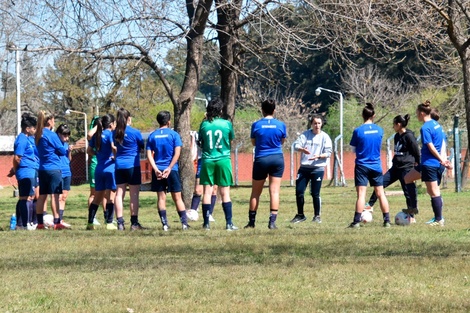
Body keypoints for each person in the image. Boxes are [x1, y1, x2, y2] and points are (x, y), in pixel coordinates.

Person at [402, 101, 452, 226]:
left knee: (433, 192)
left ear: (422, 113)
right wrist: (444, 159)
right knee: (407, 178)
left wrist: (441, 160)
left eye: (417, 113)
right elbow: (441, 143)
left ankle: (438, 219)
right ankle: (413, 208)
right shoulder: (437, 125)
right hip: (428, 163)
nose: (416, 115)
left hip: (430, 164)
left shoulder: (425, 127)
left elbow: (431, 146)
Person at [364, 114, 420, 223]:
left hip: (406, 168)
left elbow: (416, 151)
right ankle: (369, 205)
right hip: (395, 168)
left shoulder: (409, 136)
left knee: (408, 191)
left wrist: (418, 163)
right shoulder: (397, 136)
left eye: (393, 124)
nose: (392, 127)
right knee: (380, 183)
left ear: (398, 125)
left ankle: (411, 214)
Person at [244, 99, 286, 229]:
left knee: (256, 192)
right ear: (274, 110)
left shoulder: (256, 125)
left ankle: (252, 222)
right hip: (277, 158)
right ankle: (272, 222)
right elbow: (282, 141)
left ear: (262, 110)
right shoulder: (280, 125)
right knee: (274, 191)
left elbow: (253, 142)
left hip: (261, 158)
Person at [348, 103, 391, 228]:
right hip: (376, 165)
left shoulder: (358, 131)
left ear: (362, 115)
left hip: (362, 165)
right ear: (374, 115)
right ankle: (387, 221)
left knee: (361, 194)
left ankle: (356, 222)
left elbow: (352, 150)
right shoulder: (380, 130)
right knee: (380, 193)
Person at [198, 98, 238, 230]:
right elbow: (230, 139)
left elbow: (201, 142)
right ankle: (229, 223)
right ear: (220, 110)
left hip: (208, 159)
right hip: (223, 159)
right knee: (225, 192)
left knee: (207, 192)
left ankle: (206, 224)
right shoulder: (226, 124)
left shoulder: (204, 124)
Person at [146, 110, 189, 231]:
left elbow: (149, 155)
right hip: (172, 170)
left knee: (161, 198)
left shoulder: (152, 135)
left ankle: (165, 224)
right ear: (169, 122)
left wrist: (155, 169)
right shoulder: (174, 134)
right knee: (178, 198)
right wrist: (169, 168)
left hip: (158, 170)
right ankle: (184, 224)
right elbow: (177, 153)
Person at [290, 113, 332, 224]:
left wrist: (319, 156)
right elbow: (296, 145)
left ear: (322, 124)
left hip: (317, 169)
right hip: (304, 169)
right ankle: (300, 215)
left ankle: (317, 216)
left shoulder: (325, 137)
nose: (317, 125)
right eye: (314, 123)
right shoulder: (305, 135)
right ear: (311, 124)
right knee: (299, 191)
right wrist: (302, 149)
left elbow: (328, 152)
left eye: (319, 123)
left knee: (315, 193)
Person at [35, 111, 68, 230]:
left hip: (42, 169)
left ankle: (39, 223)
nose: (54, 122)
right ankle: (57, 222)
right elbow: (62, 151)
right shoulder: (51, 135)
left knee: (42, 196)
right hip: (54, 168)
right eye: (53, 120)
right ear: (49, 121)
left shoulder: (38, 134)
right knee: (55, 196)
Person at [113, 108, 144, 231]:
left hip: (119, 166)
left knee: (119, 194)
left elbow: (114, 148)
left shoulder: (115, 132)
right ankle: (134, 223)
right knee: (134, 194)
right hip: (133, 166)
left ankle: (120, 223)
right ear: (128, 118)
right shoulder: (135, 132)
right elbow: (142, 146)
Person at [86, 114, 117, 230]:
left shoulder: (97, 135)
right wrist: (115, 156)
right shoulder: (111, 134)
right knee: (110, 197)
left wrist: (98, 155)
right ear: (111, 124)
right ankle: (109, 222)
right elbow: (114, 148)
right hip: (110, 168)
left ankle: (90, 223)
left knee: (97, 198)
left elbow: (88, 150)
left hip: (99, 168)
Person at [9, 113, 39, 230]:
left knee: (30, 197)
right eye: (33, 128)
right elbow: (17, 158)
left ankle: (25, 224)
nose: (34, 130)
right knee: (25, 198)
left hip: (31, 170)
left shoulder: (28, 139)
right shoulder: (21, 139)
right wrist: (16, 170)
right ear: (27, 129)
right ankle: (24, 224)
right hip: (25, 171)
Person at [188, 130, 217, 222]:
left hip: (215, 160)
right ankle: (193, 211)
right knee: (198, 189)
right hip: (203, 161)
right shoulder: (199, 133)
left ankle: (210, 213)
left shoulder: (217, 131)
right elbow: (194, 149)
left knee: (213, 190)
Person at [87, 115, 105, 226]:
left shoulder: (105, 135)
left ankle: (107, 216)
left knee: (106, 194)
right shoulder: (94, 135)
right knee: (94, 193)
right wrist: (98, 125)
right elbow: (89, 135)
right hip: (95, 164)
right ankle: (92, 218)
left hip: (105, 165)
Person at [56, 124, 73, 228]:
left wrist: (70, 152)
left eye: (68, 136)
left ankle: (61, 219)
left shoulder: (66, 145)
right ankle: (57, 219)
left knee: (64, 197)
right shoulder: (56, 144)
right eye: (64, 135)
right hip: (59, 171)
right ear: (59, 134)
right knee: (59, 196)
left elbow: (69, 160)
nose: (66, 138)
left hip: (67, 172)